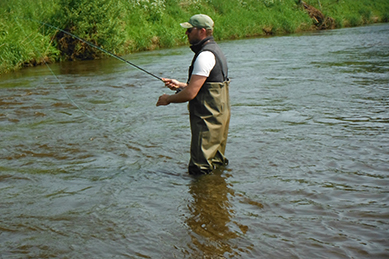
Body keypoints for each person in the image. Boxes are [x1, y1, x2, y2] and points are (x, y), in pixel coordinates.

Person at [156, 14, 230, 175]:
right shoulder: (215, 51)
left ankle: (203, 198)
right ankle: (216, 195)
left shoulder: (204, 56)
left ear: (202, 31)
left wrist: (167, 99)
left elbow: (190, 94)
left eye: (189, 30)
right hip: (218, 119)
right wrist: (180, 85)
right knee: (216, 164)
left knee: (199, 168)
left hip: (207, 121)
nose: (186, 33)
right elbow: (207, 86)